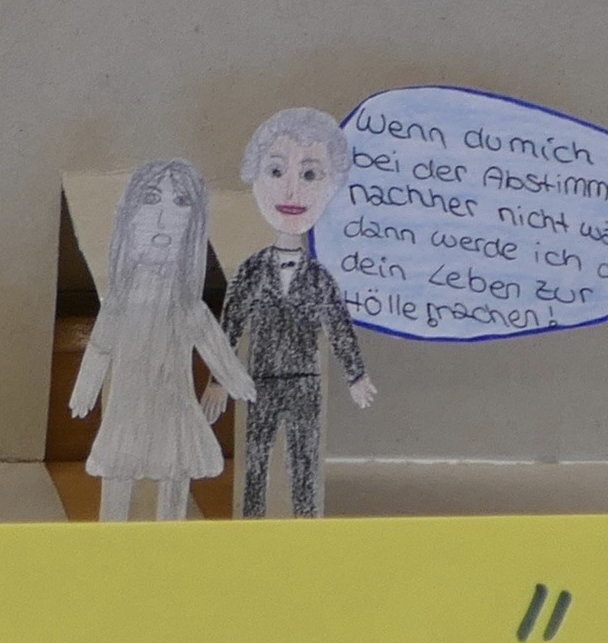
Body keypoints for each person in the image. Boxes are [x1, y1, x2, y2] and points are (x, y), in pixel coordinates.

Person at [70, 158, 249, 522]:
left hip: (172, 402)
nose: (164, 218)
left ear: (193, 226)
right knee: (119, 468)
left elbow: (212, 341)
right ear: (130, 217)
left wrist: (237, 381)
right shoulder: (120, 298)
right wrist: (85, 387)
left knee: (175, 470)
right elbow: (101, 345)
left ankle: (171, 539)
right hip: (127, 405)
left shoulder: (186, 303)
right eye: (151, 199)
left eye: (180, 203)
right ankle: (110, 540)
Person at [224, 109, 378, 518]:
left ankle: (306, 530)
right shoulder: (251, 270)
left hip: (306, 383)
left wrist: (356, 375)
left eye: (310, 175)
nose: (292, 189)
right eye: (276, 171)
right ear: (254, 177)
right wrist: (218, 380)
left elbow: (338, 326)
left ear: (331, 186)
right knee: (255, 460)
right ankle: (250, 529)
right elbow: (230, 324)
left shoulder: (320, 277)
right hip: (259, 381)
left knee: (305, 462)